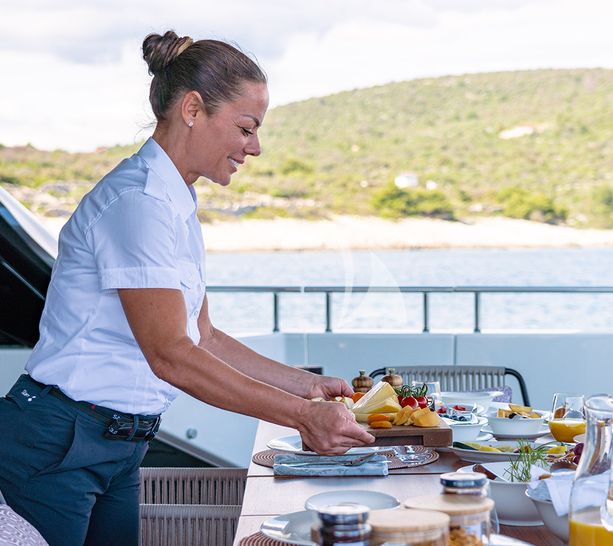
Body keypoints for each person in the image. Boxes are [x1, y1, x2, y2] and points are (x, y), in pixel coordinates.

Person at [0, 30, 374, 546]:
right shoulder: (139, 203)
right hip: (58, 441)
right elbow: (170, 355)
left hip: (120, 445)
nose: (256, 147)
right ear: (193, 109)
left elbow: (204, 337)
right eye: (246, 127)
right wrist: (303, 417)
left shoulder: (175, 203)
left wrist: (304, 386)